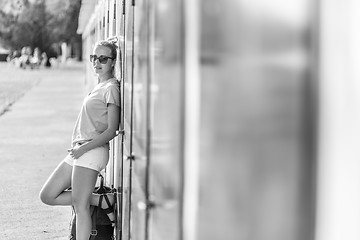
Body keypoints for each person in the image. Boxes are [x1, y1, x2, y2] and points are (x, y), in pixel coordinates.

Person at [39, 39, 120, 240]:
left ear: (113, 62)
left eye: (103, 58)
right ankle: (100, 200)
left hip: (91, 151)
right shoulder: (99, 86)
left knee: (80, 206)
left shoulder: (111, 88)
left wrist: (83, 150)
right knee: (48, 195)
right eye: (94, 57)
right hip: (79, 150)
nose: (97, 62)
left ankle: (94, 202)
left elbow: (111, 130)